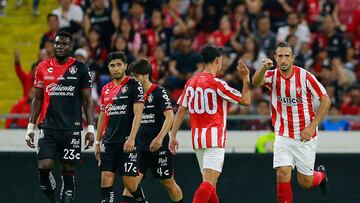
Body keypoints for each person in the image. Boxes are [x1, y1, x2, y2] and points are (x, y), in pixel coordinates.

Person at [169, 44, 251, 203]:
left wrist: (173, 136)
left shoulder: (191, 82)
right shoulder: (217, 83)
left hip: (198, 140)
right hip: (214, 139)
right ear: (217, 60)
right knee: (208, 184)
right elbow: (246, 100)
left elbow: (180, 111)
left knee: (211, 186)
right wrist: (246, 77)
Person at [252, 42, 331, 203]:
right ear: (275, 58)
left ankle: (321, 176)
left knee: (305, 182)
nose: (283, 59)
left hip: (305, 135)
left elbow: (326, 100)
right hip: (283, 134)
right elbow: (255, 81)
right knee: (282, 172)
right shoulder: (272, 75)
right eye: (280, 56)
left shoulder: (305, 76)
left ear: (293, 58)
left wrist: (312, 127)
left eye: (287, 56)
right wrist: (263, 68)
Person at [25, 31, 95, 203]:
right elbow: (38, 98)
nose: (60, 46)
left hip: (71, 129)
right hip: (48, 128)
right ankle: (52, 199)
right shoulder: (42, 67)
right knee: (44, 166)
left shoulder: (80, 68)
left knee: (68, 171)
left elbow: (87, 101)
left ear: (70, 46)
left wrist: (90, 128)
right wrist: (30, 127)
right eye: (57, 43)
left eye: (64, 44)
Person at [121, 59, 183, 203]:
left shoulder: (159, 91)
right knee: (131, 184)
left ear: (146, 75)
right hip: (140, 147)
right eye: (131, 76)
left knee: (167, 182)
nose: (133, 79)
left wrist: (160, 138)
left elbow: (170, 116)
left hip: (158, 146)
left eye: (136, 76)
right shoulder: (133, 95)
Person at [94, 52, 148, 203]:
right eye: (112, 65)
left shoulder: (134, 85)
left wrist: (132, 138)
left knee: (129, 182)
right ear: (108, 68)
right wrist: (98, 142)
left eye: (119, 65)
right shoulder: (105, 89)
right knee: (106, 178)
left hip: (127, 143)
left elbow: (138, 114)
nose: (116, 68)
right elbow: (103, 116)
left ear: (125, 66)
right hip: (109, 142)